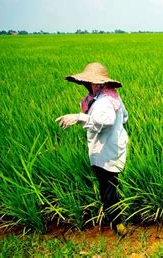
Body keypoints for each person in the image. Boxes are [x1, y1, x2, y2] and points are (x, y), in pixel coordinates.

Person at [55, 62, 129, 237]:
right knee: (111, 186)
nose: (87, 86)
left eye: (88, 83)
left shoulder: (104, 101)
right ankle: (115, 219)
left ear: (97, 84)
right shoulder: (112, 97)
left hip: (106, 152)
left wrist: (79, 117)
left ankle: (117, 224)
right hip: (112, 146)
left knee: (108, 188)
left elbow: (107, 120)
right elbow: (124, 117)